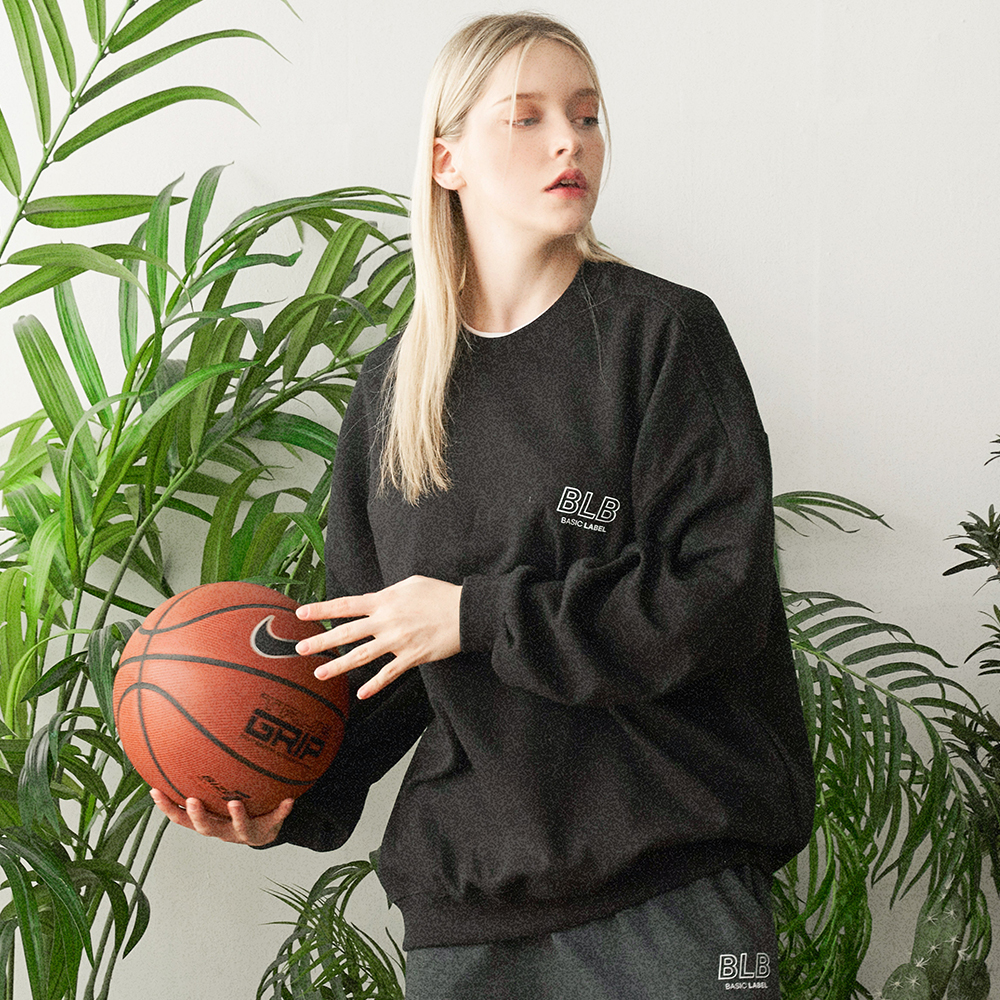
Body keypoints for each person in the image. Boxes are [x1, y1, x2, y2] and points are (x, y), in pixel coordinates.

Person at [151, 11, 815, 998]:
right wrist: (288, 797)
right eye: (527, 117)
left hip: (673, 893)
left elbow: (714, 600)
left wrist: (474, 614)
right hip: (465, 909)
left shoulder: (662, 336)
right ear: (445, 158)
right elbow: (374, 660)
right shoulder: (392, 393)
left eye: (586, 116)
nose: (569, 142)